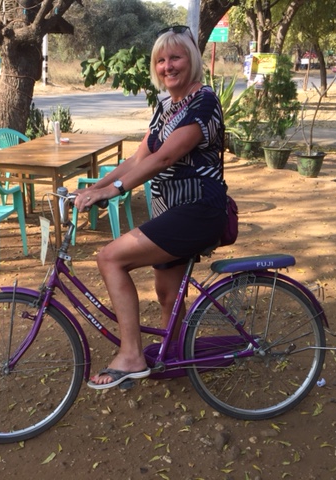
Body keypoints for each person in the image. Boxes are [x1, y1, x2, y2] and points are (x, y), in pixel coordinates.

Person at [73, 25, 228, 390]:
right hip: (169, 210)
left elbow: (164, 158)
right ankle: (176, 355)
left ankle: (131, 356)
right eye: (160, 60)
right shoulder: (166, 106)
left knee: (110, 258)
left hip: (196, 210)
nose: (167, 66)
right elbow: (139, 158)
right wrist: (93, 188)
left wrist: (114, 190)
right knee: (167, 294)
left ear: (192, 60)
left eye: (175, 57)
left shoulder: (203, 101)